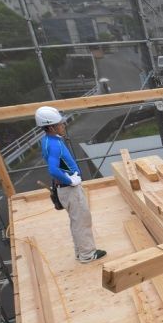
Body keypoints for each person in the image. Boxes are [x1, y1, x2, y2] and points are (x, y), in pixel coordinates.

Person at [35, 106, 106, 263]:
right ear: (51, 127)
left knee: (76, 221)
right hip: (69, 189)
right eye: (60, 124)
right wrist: (70, 180)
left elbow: (58, 165)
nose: (63, 125)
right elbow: (53, 170)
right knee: (82, 220)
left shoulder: (48, 141)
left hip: (64, 189)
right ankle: (88, 255)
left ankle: (80, 252)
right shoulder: (54, 145)